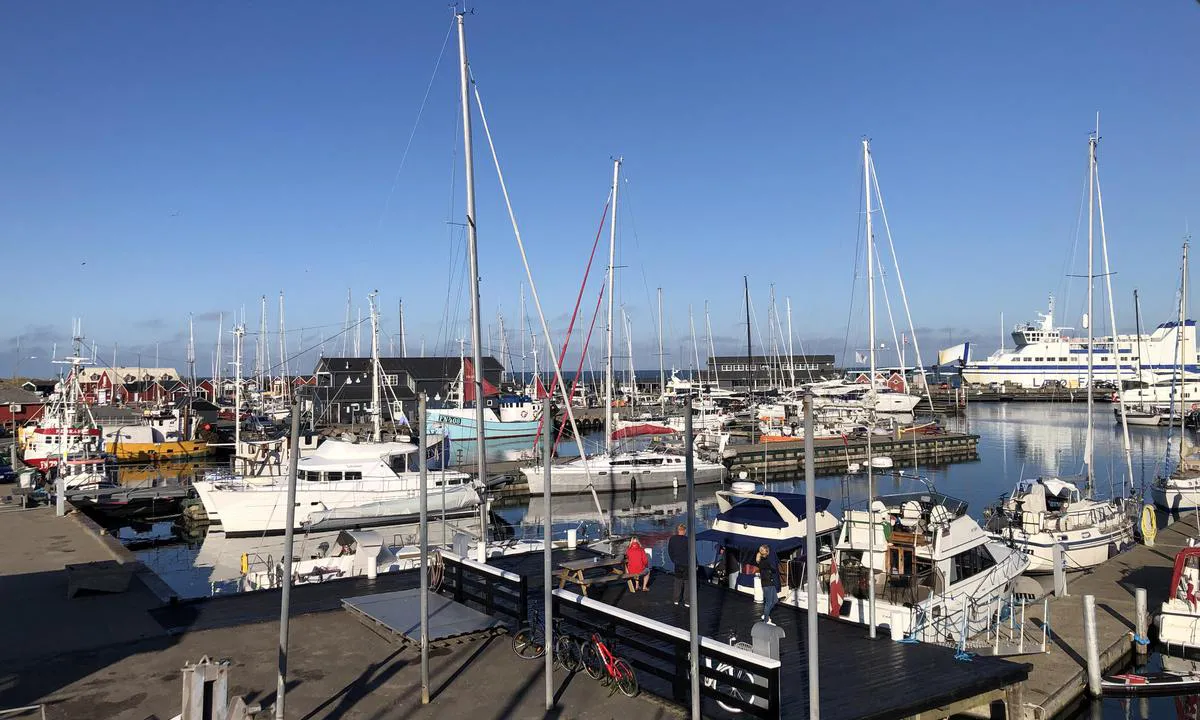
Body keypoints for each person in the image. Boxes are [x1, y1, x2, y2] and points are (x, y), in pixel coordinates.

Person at [756, 544, 781, 624]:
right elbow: (773, 569)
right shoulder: (764, 561)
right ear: (766, 552)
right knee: (769, 602)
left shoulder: (763, 560)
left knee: (775, 600)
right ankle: (766, 620)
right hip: (767, 584)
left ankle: (765, 614)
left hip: (770, 582)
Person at [667, 523, 689, 606]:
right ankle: (687, 601)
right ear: (684, 531)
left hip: (677, 563)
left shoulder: (672, 539)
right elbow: (692, 553)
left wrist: (673, 560)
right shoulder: (687, 540)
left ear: (678, 530)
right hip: (687, 563)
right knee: (687, 582)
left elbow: (670, 551)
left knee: (677, 581)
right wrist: (696, 563)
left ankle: (676, 600)